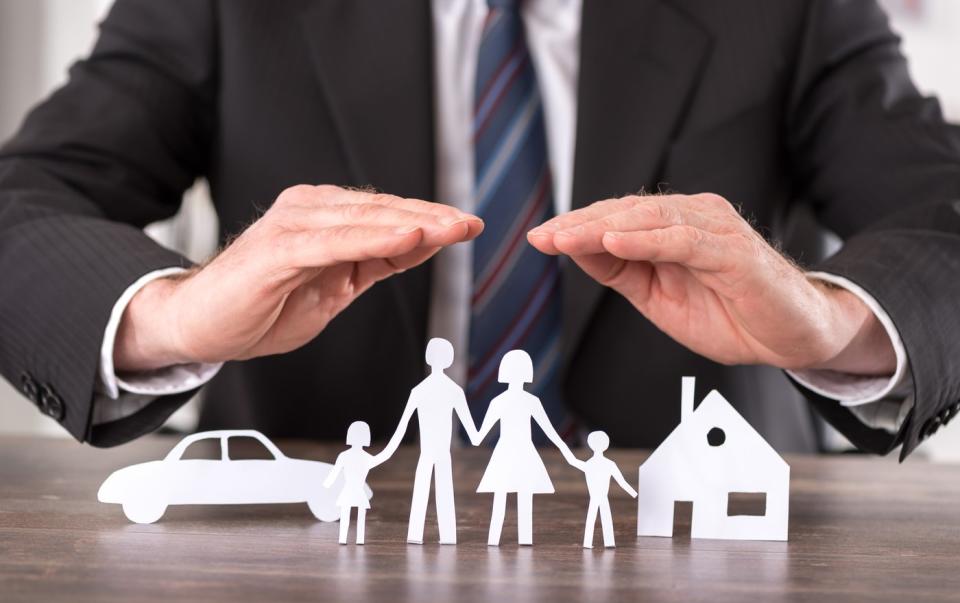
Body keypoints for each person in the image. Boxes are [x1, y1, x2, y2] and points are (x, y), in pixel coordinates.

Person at [1, 1, 959, 460]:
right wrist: (172, 312)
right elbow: (23, 206)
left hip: (709, 552)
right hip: (301, 556)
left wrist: (837, 322)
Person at [377, 337, 480, 544]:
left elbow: (401, 428)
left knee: (421, 493)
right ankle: (447, 535)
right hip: (442, 453)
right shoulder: (454, 391)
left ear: (428, 357)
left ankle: (416, 534)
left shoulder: (419, 390)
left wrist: (383, 455)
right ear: (450, 359)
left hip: (428, 453)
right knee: (445, 494)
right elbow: (473, 433)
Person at [474, 350, 580, 546]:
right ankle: (520, 539)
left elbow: (478, 437)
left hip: (509, 453)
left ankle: (495, 539)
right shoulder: (529, 401)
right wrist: (567, 453)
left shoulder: (500, 402)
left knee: (502, 499)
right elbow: (551, 433)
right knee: (522, 499)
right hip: (521, 453)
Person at [323, 421, 390, 545]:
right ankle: (352, 539)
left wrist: (326, 486)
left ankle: (350, 539)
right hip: (355, 491)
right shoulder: (364, 457)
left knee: (351, 517)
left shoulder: (347, 456)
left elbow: (334, 473)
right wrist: (326, 486)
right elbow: (384, 455)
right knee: (356, 518)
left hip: (354, 491)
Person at [573, 431, 637, 549]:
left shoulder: (589, 464)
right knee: (603, 519)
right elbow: (621, 482)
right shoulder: (608, 464)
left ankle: (590, 543)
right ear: (606, 445)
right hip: (601, 496)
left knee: (592, 519)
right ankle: (606, 542)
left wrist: (634, 493)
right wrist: (633, 493)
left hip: (598, 497)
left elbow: (572, 461)